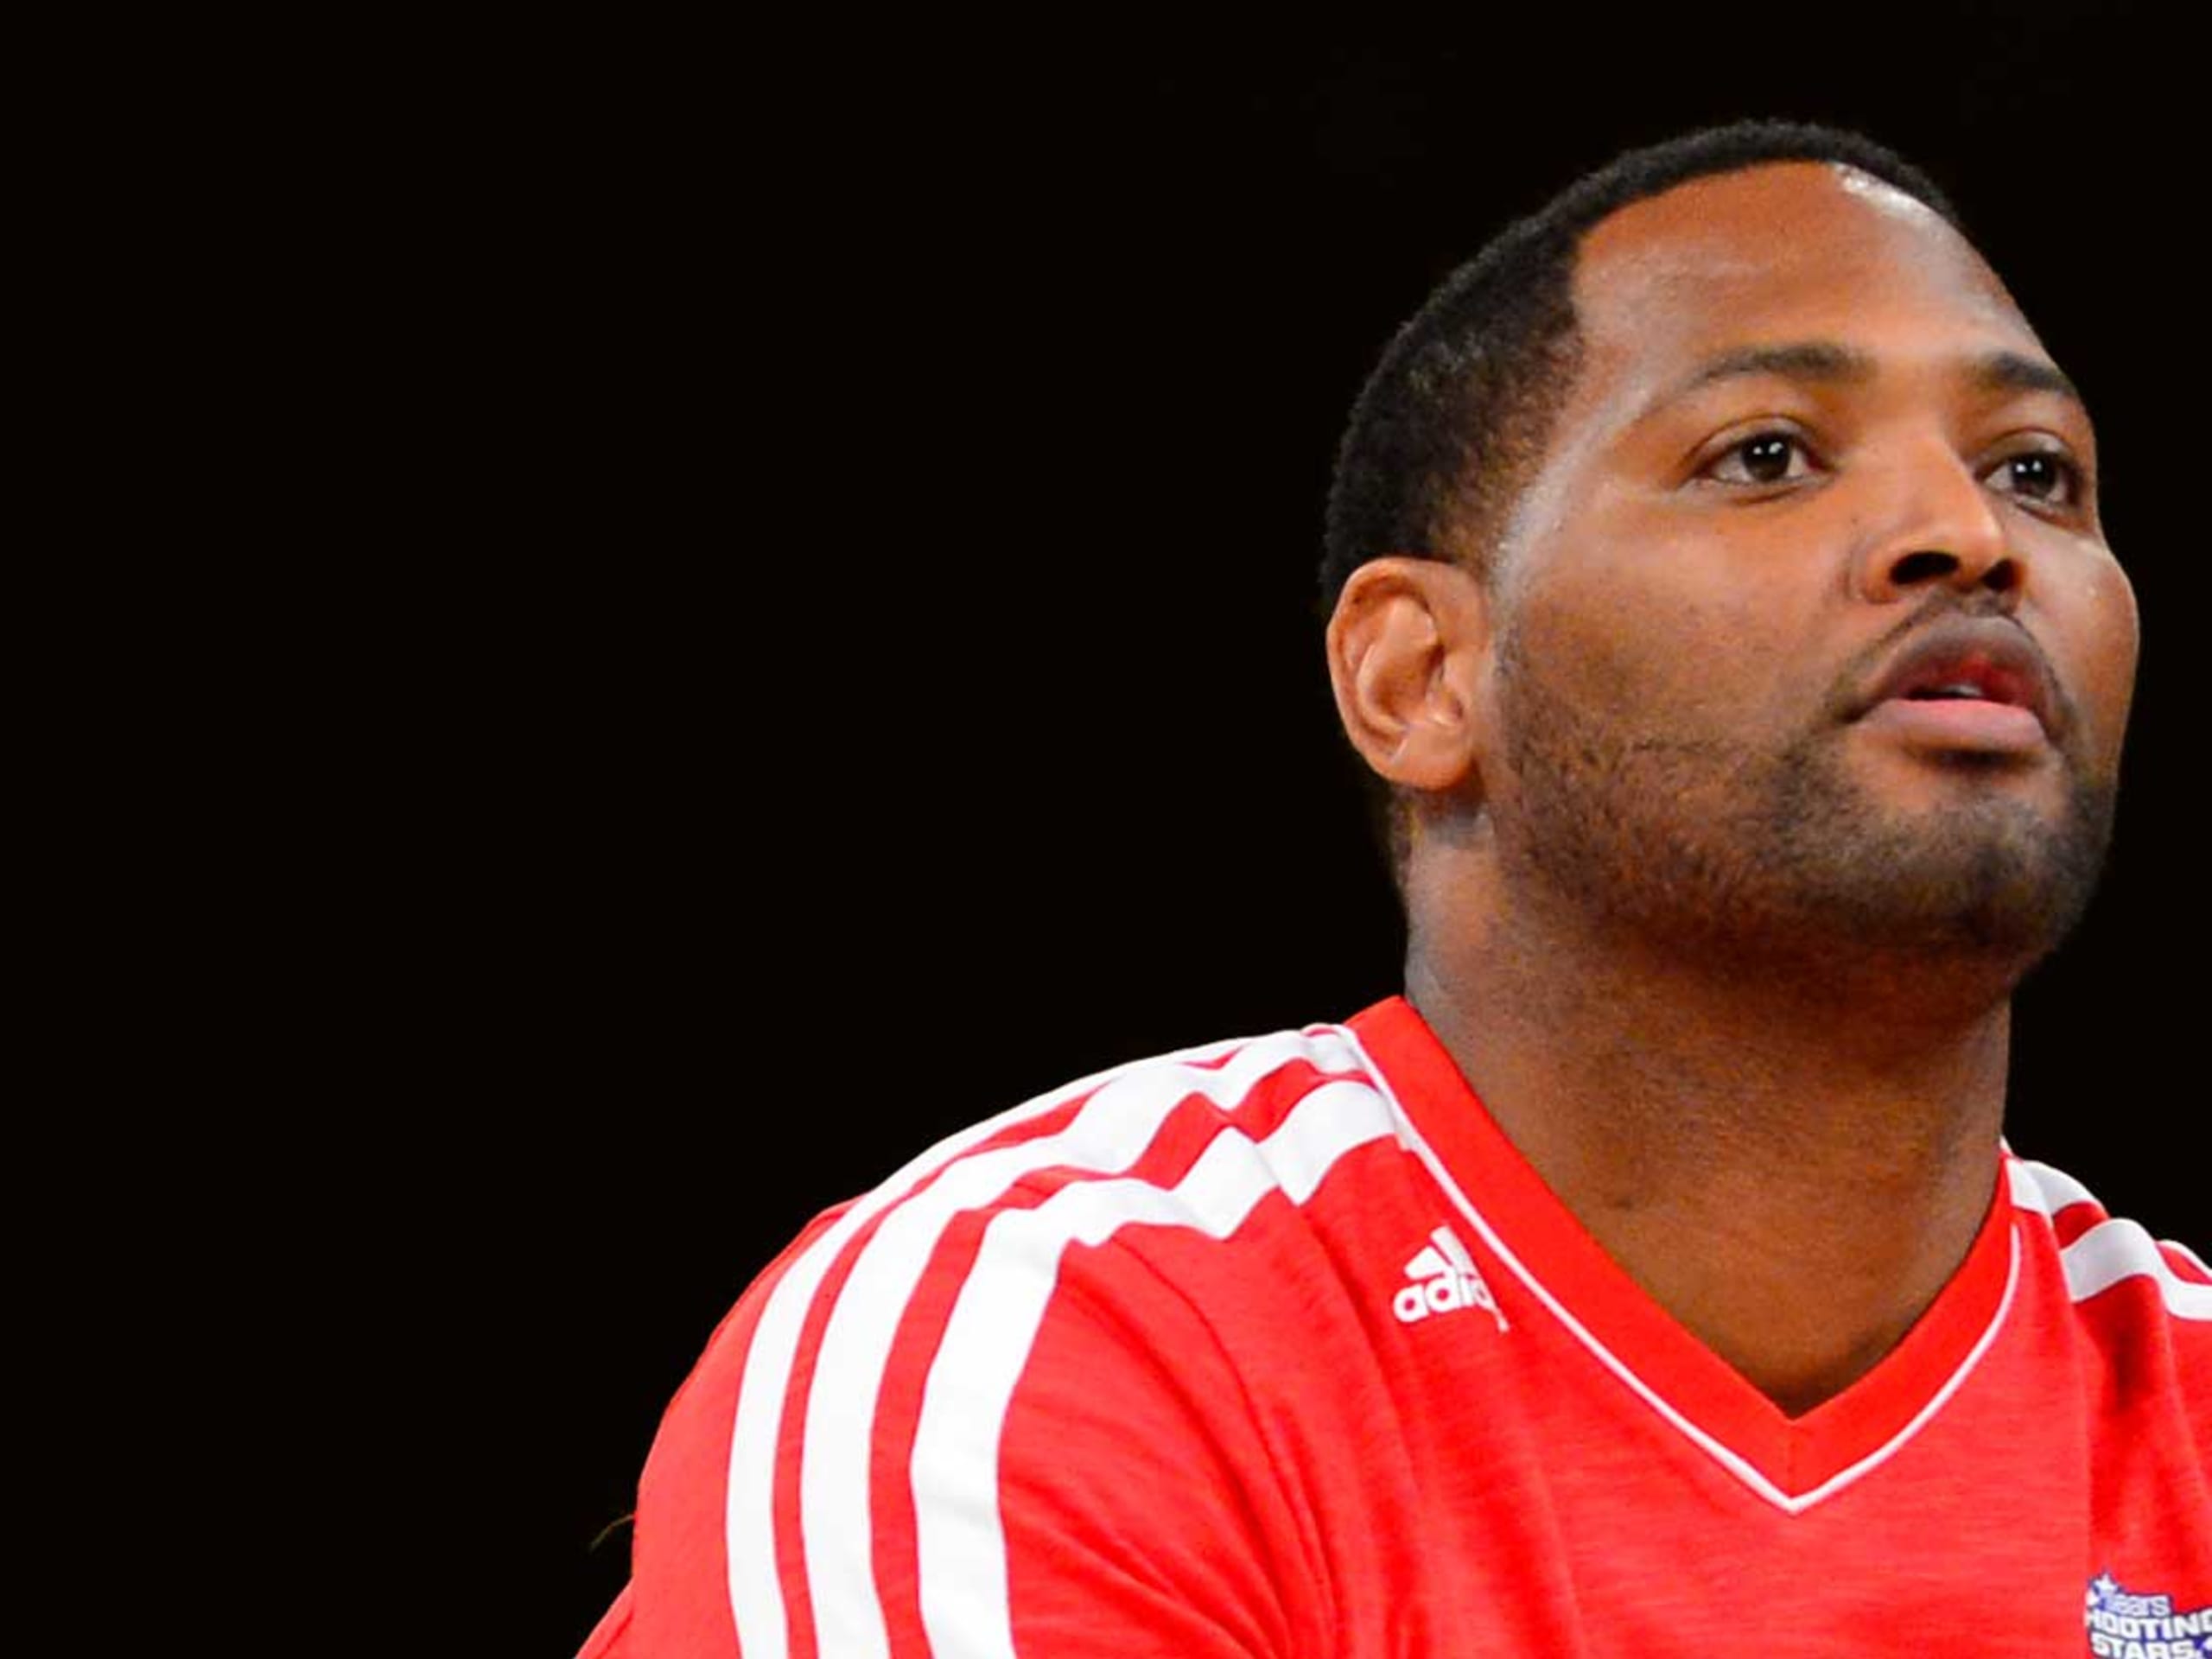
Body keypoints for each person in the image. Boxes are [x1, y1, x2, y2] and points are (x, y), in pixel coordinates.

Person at [582, 122, 2209, 1656]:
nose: (1965, 533)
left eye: (2039, 472)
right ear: (1421, 678)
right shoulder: (1040, 1331)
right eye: (1766, 453)